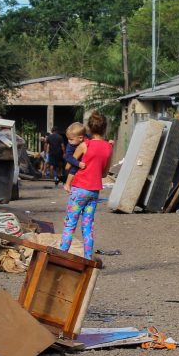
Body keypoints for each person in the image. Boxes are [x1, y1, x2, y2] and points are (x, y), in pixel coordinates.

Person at [60, 111, 112, 261]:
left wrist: (78, 164)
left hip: (79, 190)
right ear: (105, 128)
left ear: (89, 128)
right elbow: (104, 174)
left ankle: (62, 257)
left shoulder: (85, 145)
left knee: (70, 225)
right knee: (88, 227)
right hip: (94, 191)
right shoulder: (108, 147)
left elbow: (68, 165)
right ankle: (88, 258)